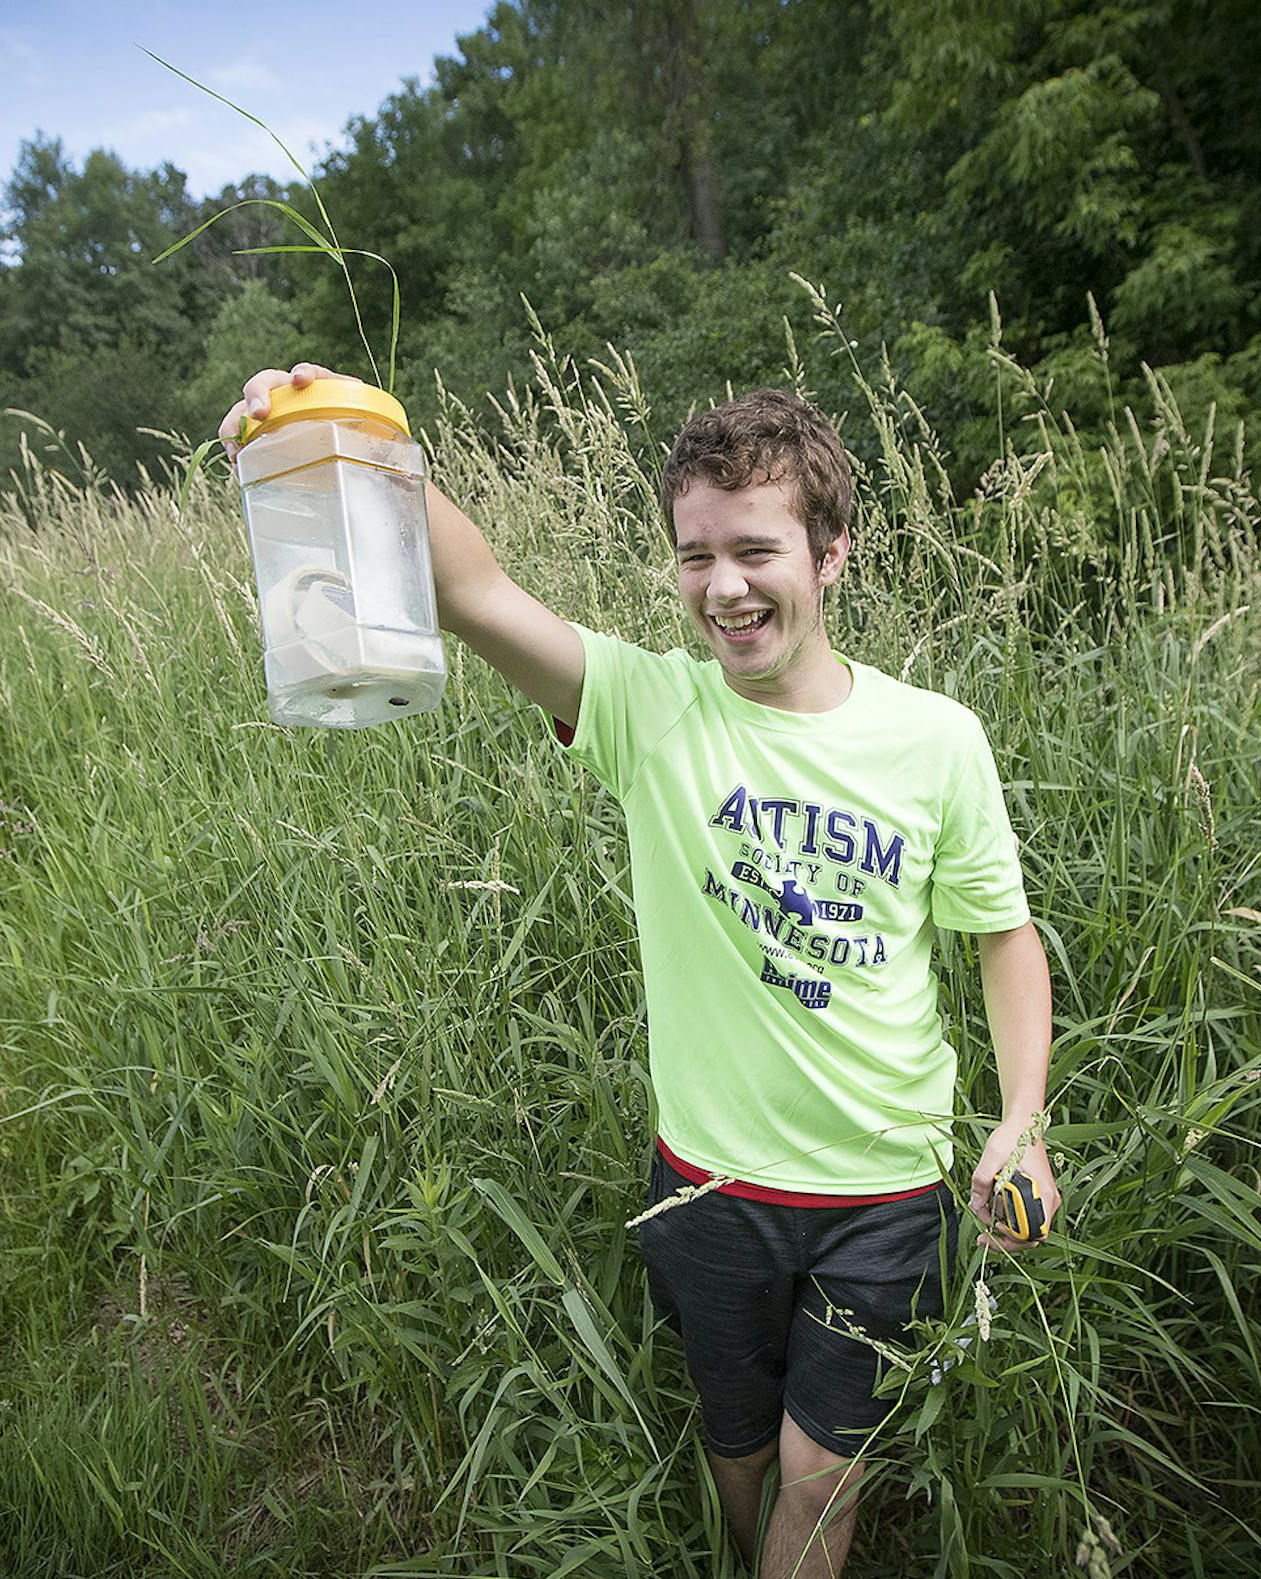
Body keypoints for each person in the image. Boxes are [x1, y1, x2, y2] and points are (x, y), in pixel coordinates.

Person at [222, 364, 1059, 1577]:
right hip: (706, 1187)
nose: (723, 587)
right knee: (738, 1445)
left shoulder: (936, 738)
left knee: (823, 1481)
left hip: (889, 1189)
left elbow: (1003, 936)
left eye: (756, 550)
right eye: (695, 554)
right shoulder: (649, 709)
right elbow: (473, 590)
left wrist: (1022, 1121)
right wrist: (354, 432)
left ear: (832, 553)